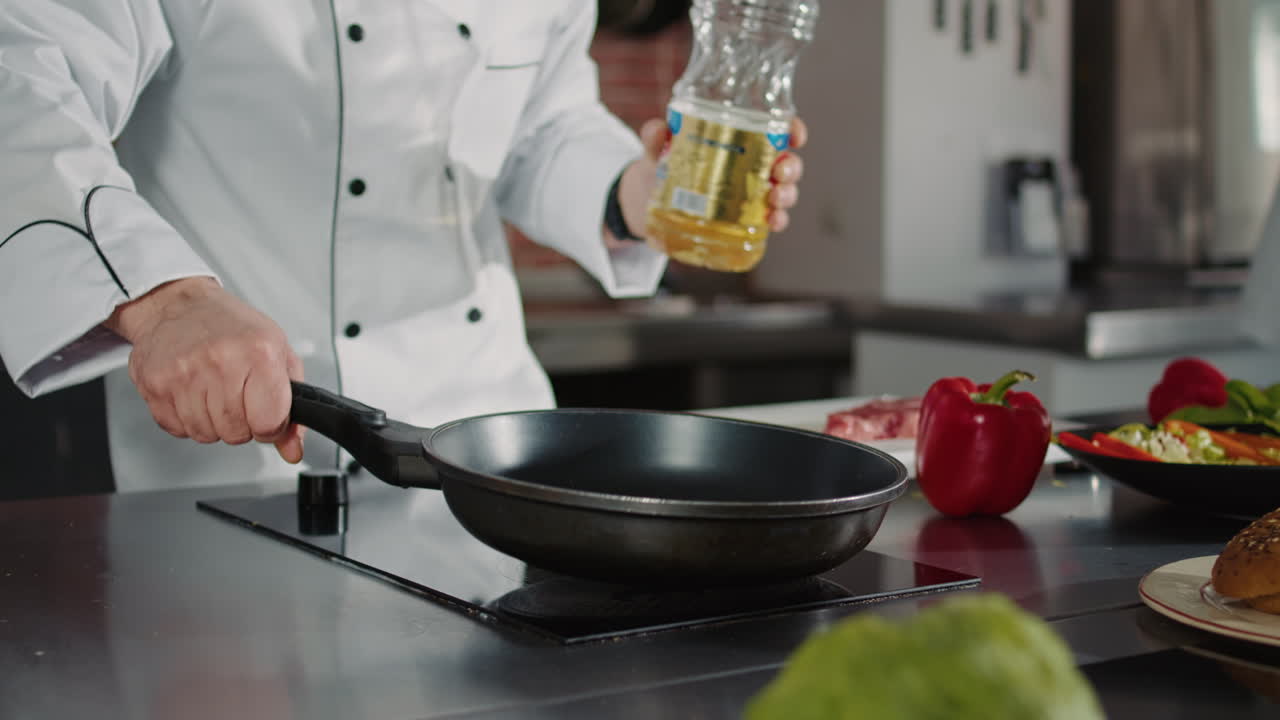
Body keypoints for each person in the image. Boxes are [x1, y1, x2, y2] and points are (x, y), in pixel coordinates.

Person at [0, 0, 806, 492]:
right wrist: (168, 302)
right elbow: (23, 80)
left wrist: (642, 196)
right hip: (251, 443)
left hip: (488, 450)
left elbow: (540, 129)